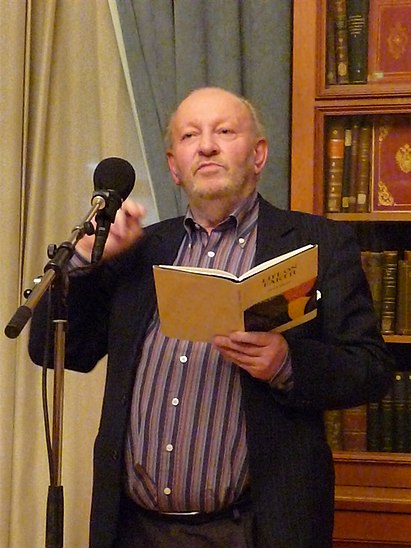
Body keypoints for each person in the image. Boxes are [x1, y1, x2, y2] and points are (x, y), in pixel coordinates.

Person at [29, 87, 393, 548]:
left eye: (224, 131)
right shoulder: (140, 248)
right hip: (134, 529)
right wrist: (83, 264)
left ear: (258, 155)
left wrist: (287, 363)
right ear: (173, 166)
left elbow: (371, 369)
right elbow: (56, 351)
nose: (206, 146)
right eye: (189, 136)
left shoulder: (319, 243)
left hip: (253, 529)